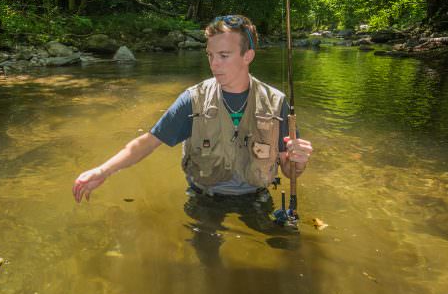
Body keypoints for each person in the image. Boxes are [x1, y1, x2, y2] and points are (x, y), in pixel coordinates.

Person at [73, 14, 312, 243]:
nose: (214, 64)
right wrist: (103, 171)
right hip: (204, 197)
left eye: (224, 55)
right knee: (206, 256)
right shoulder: (193, 99)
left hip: (255, 196)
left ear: (247, 55)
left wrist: (298, 163)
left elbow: (290, 171)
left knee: (285, 245)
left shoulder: (276, 103)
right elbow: (147, 142)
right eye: (210, 55)